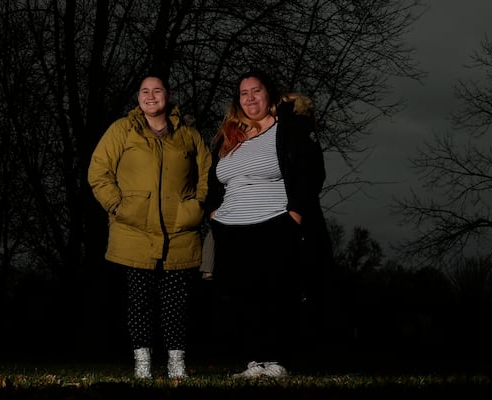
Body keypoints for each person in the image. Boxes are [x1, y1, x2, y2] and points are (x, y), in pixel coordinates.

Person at [205, 69, 329, 378]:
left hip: (274, 221)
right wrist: (213, 213)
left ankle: (276, 360)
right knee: (241, 295)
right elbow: (212, 180)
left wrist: (296, 213)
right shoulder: (229, 134)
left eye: (256, 91)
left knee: (275, 292)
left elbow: (311, 170)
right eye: (244, 93)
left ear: (268, 94)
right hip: (231, 227)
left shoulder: (289, 127)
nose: (250, 98)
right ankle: (253, 362)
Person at [87, 73, 212, 379]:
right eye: (145, 91)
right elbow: (98, 171)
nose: (151, 95)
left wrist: (196, 207)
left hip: (179, 232)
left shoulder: (188, 135)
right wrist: (117, 205)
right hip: (134, 231)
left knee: (176, 304)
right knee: (139, 301)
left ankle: (176, 364)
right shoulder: (122, 130)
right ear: (138, 98)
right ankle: (142, 364)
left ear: (168, 96)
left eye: (157, 90)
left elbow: (207, 174)